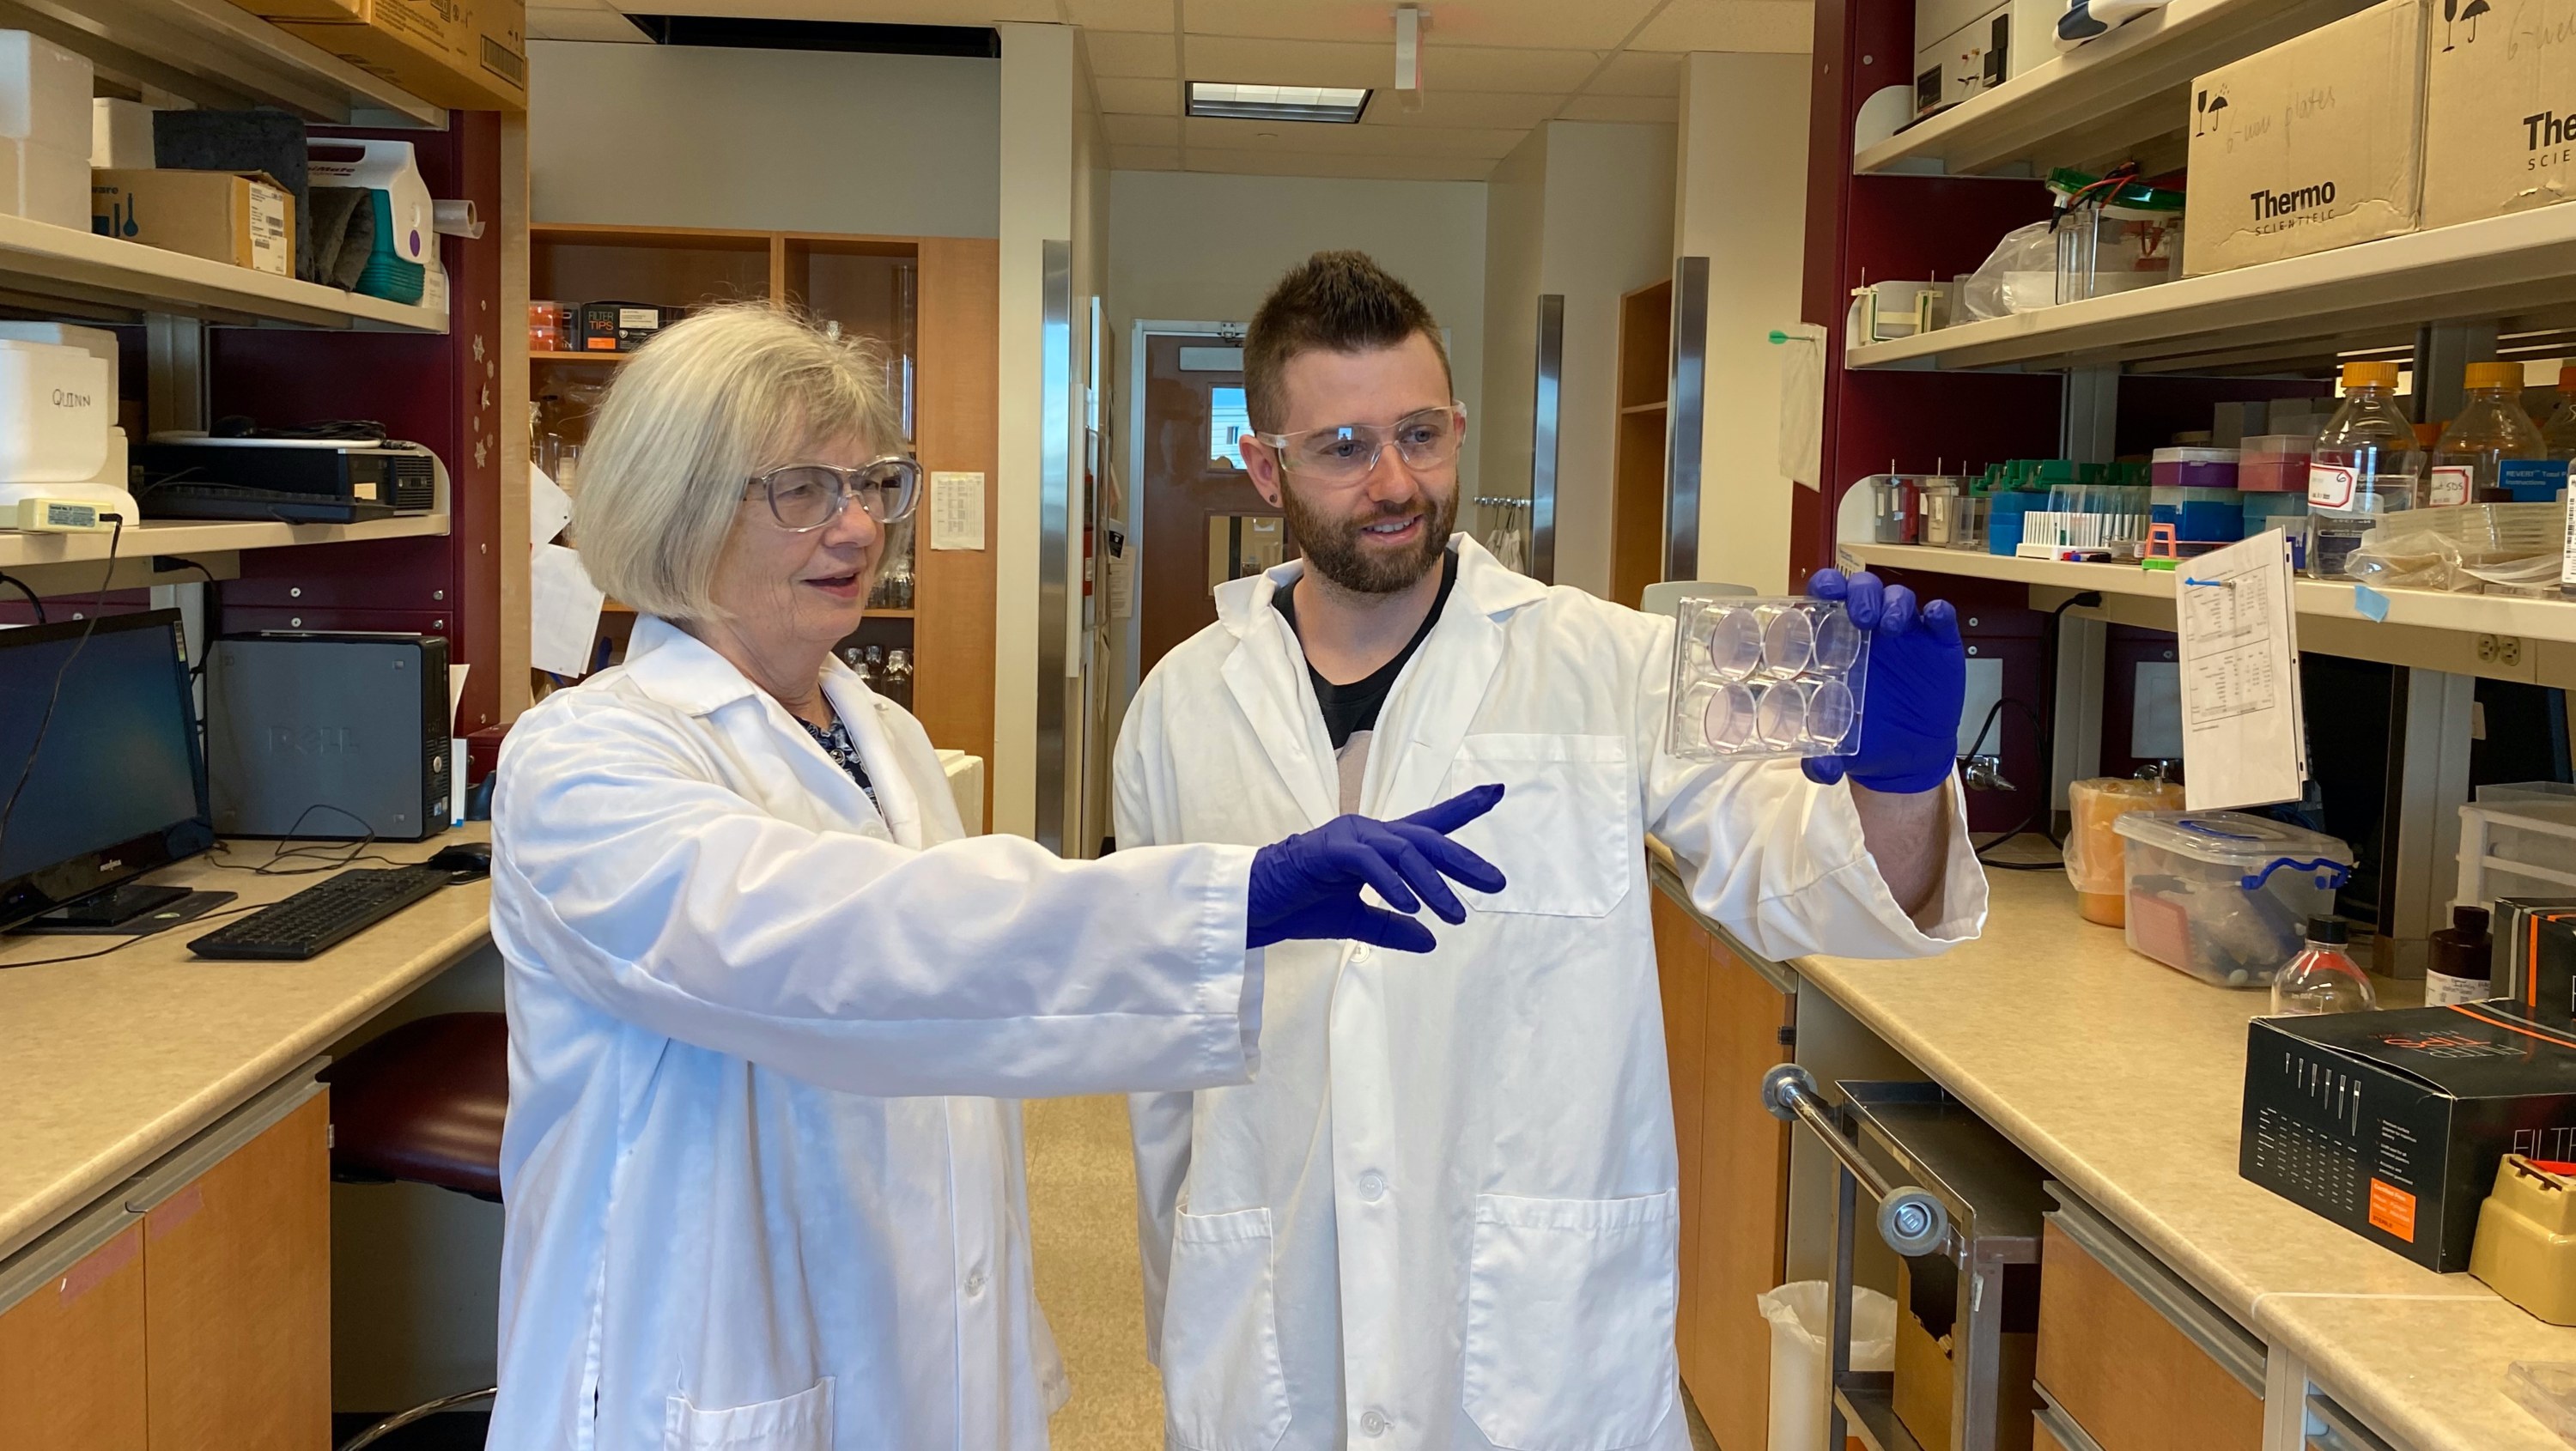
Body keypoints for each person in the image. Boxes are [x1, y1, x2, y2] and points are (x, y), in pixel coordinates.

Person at [483, 303, 1507, 1451]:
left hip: (921, 1364)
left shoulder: (888, 741)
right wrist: (1231, 898)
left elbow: (961, 1030)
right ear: (679, 500)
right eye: (804, 491)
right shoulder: (585, 766)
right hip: (697, 1372)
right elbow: (848, 953)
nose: (859, 525)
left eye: (871, 481)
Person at [1113, 252, 1988, 1451]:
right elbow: (1162, 1052)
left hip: (1531, 1346)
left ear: (1462, 426)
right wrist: (1185, 1325)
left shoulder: (1608, 661)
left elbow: (1814, 888)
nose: (1396, 482)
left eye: (1422, 435)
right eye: (1345, 447)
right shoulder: (1180, 707)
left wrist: (1896, 781)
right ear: (1264, 464)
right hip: (1272, 1320)